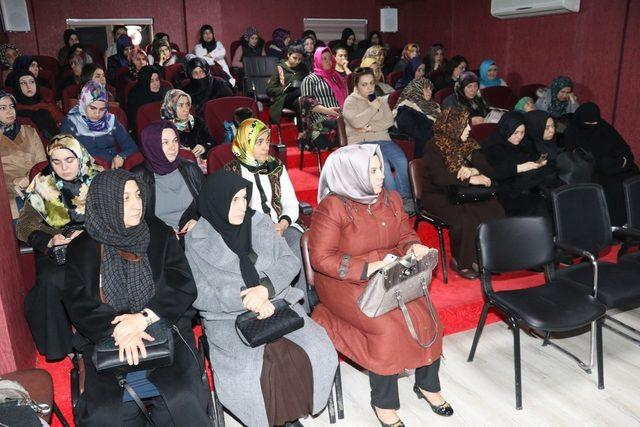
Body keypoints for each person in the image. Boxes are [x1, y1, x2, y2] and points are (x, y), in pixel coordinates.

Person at [309, 144, 453, 426]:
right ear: (351, 174)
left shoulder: (390, 198)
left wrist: (414, 247)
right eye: (372, 171)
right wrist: (368, 268)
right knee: (387, 328)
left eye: (380, 169)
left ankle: (427, 384)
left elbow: (404, 233)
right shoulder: (333, 206)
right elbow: (321, 258)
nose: (381, 177)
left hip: (390, 271)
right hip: (344, 280)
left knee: (426, 314)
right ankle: (383, 402)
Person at [185, 170, 338, 427]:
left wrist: (265, 289)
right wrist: (246, 299)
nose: (242, 206)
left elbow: (290, 262)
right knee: (257, 368)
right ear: (216, 200)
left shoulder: (261, 222)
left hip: (278, 302)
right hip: (229, 317)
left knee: (313, 350)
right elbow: (198, 292)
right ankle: (278, 421)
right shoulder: (197, 238)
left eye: (245, 198)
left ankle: (291, 414)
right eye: (234, 200)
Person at [62, 168, 211, 425]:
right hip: (110, 340)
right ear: (106, 202)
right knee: (106, 415)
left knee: (181, 399)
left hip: (164, 330)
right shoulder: (81, 248)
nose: (136, 205)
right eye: (125, 198)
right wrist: (121, 329)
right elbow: (78, 304)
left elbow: (183, 284)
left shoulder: (160, 234)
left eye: (138, 195)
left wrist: (143, 318)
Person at [17, 135, 103, 360]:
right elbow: (24, 224)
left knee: (97, 273)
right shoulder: (43, 181)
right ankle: (64, 347)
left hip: (99, 239)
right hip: (59, 242)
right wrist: (49, 240)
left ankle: (100, 334)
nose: (64, 167)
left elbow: (117, 215)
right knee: (51, 279)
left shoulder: (101, 178)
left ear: (80, 156)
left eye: (69, 159)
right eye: (56, 162)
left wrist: (87, 233)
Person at [223, 118, 311, 310]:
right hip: (249, 231)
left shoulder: (276, 167)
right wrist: (262, 230)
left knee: (296, 245)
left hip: (281, 226)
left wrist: (282, 224)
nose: (266, 147)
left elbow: (290, 203)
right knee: (264, 256)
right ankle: (274, 304)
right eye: (259, 142)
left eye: (267, 141)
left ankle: (302, 308)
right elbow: (230, 212)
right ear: (246, 143)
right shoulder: (231, 172)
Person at [421, 106, 504, 279]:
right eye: (464, 125)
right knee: (465, 216)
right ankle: (461, 261)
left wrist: (473, 171)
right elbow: (439, 177)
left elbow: (489, 168)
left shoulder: (468, 143)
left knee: (495, 209)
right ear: (452, 125)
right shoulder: (434, 146)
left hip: (463, 192)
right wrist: (468, 179)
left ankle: (485, 258)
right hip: (438, 194)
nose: (469, 129)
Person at [342, 67, 413, 213]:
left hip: (383, 139)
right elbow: (356, 122)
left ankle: (405, 198)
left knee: (401, 160)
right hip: (361, 142)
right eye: (364, 84)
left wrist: (368, 125)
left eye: (371, 84)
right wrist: (373, 109)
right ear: (356, 86)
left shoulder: (380, 99)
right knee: (384, 167)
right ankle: (392, 202)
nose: (369, 88)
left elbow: (388, 122)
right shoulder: (350, 102)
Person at [563, 102, 639, 225]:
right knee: (615, 187)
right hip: (596, 171)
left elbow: (623, 147)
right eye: (589, 123)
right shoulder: (572, 132)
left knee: (635, 179)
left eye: (595, 122)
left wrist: (625, 159)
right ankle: (617, 226)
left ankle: (635, 223)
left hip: (618, 165)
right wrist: (618, 163)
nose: (594, 125)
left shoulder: (604, 127)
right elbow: (581, 159)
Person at [132, 120, 204, 236]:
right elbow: (132, 221)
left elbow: (209, 205)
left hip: (195, 235)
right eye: (165, 143)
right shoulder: (137, 177)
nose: (173, 147)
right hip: (157, 241)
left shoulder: (191, 169)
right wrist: (162, 233)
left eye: (175, 141)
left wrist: (199, 222)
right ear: (152, 145)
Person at [482, 112, 559, 218]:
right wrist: (521, 167)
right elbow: (493, 171)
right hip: (506, 191)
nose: (519, 136)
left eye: (522, 132)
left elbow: (532, 160)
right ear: (506, 129)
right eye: (515, 132)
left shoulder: (524, 143)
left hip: (529, 185)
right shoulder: (493, 146)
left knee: (557, 192)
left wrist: (537, 164)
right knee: (540, 204)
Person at [60, 81, 137, 167]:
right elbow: (61, 152)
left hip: (110, 170)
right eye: (92, 108)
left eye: (102, 109)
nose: (97, 114)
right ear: (83, 103)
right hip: (83, 170)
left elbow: (131, 146)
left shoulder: (111, 121)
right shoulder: (71, 121)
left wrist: (121, 156)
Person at [0, 91, 46, 218]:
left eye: (11, 106)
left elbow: (41, 164)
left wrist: (30, 177)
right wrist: (14, 182)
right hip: (8, 191)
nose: (10, 111)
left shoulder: (29, 131)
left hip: (36, 183)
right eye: (3, 108)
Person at [300, 47, 347, 150]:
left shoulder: (336, 77)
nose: (328, 61)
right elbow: (307, 103)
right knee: (341, 121)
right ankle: (345, 149)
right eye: (324, 58)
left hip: (339, 116)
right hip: (319, 121)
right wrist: (328, 111)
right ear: (317, 60)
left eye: (329, 58)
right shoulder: (310, 79)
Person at [393, 77, 441, 158]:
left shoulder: (433, 105)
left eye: (431, 89)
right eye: (426, 89)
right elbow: (421, 135)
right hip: (423, 152)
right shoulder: (405, 110)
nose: (430, 92)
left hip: (437, 144)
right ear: (416, 89)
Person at [161, 89, 215, 158]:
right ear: (171, 108)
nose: (186, 109)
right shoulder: (165, 128)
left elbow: (211, 142)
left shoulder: (197, 121)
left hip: (201, 162)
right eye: (181, 105)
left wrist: (204, 147)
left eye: (187, 104)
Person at [12, 70, 63, 139]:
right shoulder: (11, 108)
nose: (28, 86)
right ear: (18, 86)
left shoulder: (48, 105)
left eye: (31, 82)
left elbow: (65, 126)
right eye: (23, 83)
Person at [266, 43, 308, 125]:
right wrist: (285, 89)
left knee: (301, 96)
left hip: (300, 98)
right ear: (288, 55)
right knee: (301, 91)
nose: (297, 61)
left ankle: (303, 128)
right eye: (294, 58)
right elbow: (269, 90)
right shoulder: (280, 68)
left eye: (300, 59)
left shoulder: (303, 67)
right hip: (284, 98)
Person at [125, 65, 167, 135]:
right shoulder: (136, 96)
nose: (156, 84)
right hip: (146, 133)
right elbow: (134, 122)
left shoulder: (164, 92)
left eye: (157, 79)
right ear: (145, 81)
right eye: (151, 81)